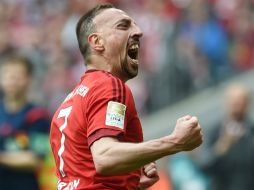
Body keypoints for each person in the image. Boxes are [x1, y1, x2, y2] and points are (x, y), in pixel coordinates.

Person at [50, 4, 203, 190]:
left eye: (135, 25)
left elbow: (87, 173)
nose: (138, 32)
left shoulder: (68, 103)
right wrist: (175, 142)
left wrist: (128, 180)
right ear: (97, 42)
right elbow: (104, 157)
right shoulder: (109, 84)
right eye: (123, 26)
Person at [0, 56, 50, 190]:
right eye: (7, 75)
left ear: (28, 79)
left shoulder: (38, 116)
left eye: (16, 76)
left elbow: (36, 160)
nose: (11, 81)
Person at [200, 84, 254, 190]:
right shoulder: (215, 132)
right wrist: (223, 145)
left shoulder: (251, 131)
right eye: (234, 102)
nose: (238, 106)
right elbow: (204, 165)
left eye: (241, 102)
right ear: (227, 103)